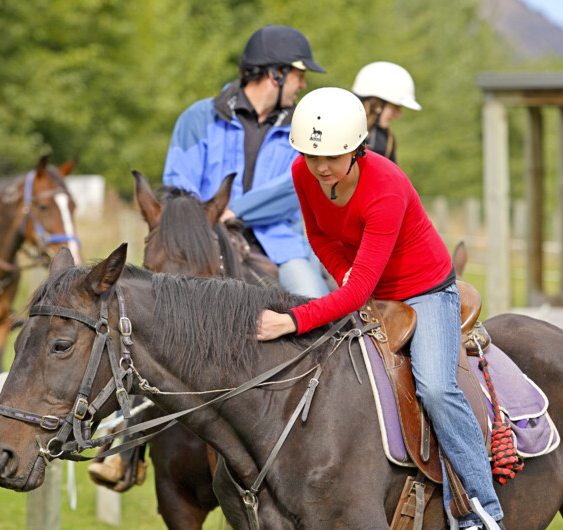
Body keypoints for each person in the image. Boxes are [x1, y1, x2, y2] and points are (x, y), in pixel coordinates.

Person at [256, 87, 503, 529]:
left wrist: (292, 319)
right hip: (369, 286)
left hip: (424, 289)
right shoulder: (303, 171)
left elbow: (354, 295)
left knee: (435, 388)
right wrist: (344, 270)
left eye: (332, 156)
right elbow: (320, 237)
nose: (321, 167)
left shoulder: (385, 188)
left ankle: (483, 513)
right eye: (313, 156)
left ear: (357, 148)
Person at [162, 25, 330, 298]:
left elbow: (297, 184)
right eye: (299, 75)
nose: (303, 84)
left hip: (280, 247)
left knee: (318, 306)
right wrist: (208, 218)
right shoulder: (198, 118)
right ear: (276, 74)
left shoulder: (306, 127)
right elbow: (177, 186)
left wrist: (235, 211)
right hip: (204, 242)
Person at [351, 61, 421, 163]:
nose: (398, 115)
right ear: (376, 103)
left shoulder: (385, 140)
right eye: (395, 107)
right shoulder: (335, 130)